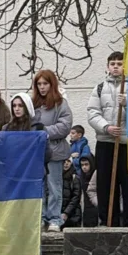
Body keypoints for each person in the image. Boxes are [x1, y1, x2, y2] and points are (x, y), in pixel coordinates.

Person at [88, 51, 128, 227]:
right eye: (113, 63)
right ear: (108, 66)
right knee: (106, 185)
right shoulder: (100, 88)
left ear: (125, 66)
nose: (116, 66)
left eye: (119, 63)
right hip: (106, 143)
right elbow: (93, 113)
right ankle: (108, 221)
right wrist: (106, 127)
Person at [32, 69, 73, 233]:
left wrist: (44, 131)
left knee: (54, 186)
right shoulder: (33, 103)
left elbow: (65, 126)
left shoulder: (60, 103)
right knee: (39, 188)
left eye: (45, 84)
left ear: (52, 84)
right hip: (36, 152)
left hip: (54, 151)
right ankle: (40, 217)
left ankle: (54, 218)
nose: (42, 87)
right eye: (39, 84)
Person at [61, 158, 82, 229]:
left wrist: (66, 212)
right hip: (60, 215)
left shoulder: (74, 178)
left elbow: (76, 197)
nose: (66, 163)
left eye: (68, 161)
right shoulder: (56, 177)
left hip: (73, 216)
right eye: (64, 161)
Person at [80, 155, 99, 227]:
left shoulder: (97, 176)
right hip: (86, 211)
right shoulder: (81, 177)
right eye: (82, 165)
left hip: (97, 209)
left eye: (86, 164)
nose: (84, 167)